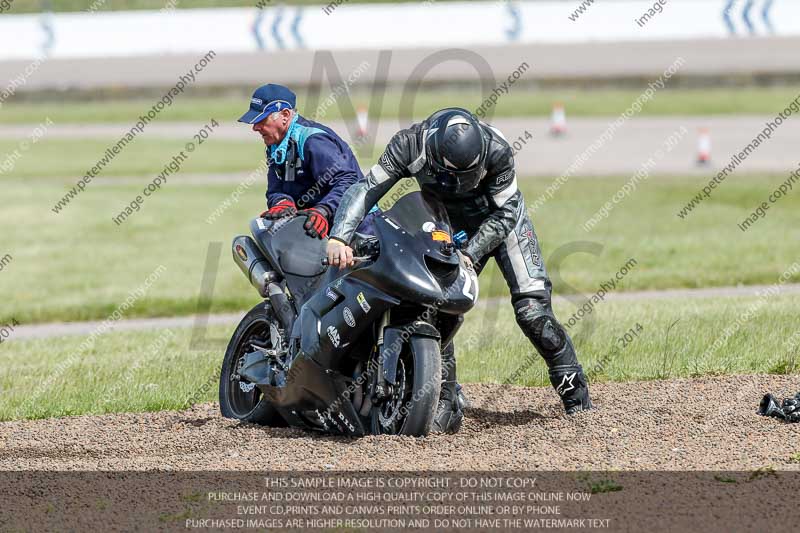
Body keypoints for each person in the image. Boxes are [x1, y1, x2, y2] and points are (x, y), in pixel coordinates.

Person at [325, 107, 593, 433]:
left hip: (501, 224)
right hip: (446, 228)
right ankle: (446, 400)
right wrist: (339, 236)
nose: (465, 183)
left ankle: (577, 398)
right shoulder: (409, 145)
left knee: (533, 313)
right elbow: (367, 189)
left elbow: (507, 212)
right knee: (433, 306)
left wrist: (472, 253)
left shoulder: (497, 149)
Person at [238, 83, 375, 237]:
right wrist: (282, 202)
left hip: (360, 225)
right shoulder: (276, 145)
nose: (255, 127)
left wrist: (323, 210)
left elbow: (348, 180)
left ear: (285, 115)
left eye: (262, 120)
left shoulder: (313, 141)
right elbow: (275, 189)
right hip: (320, 226)